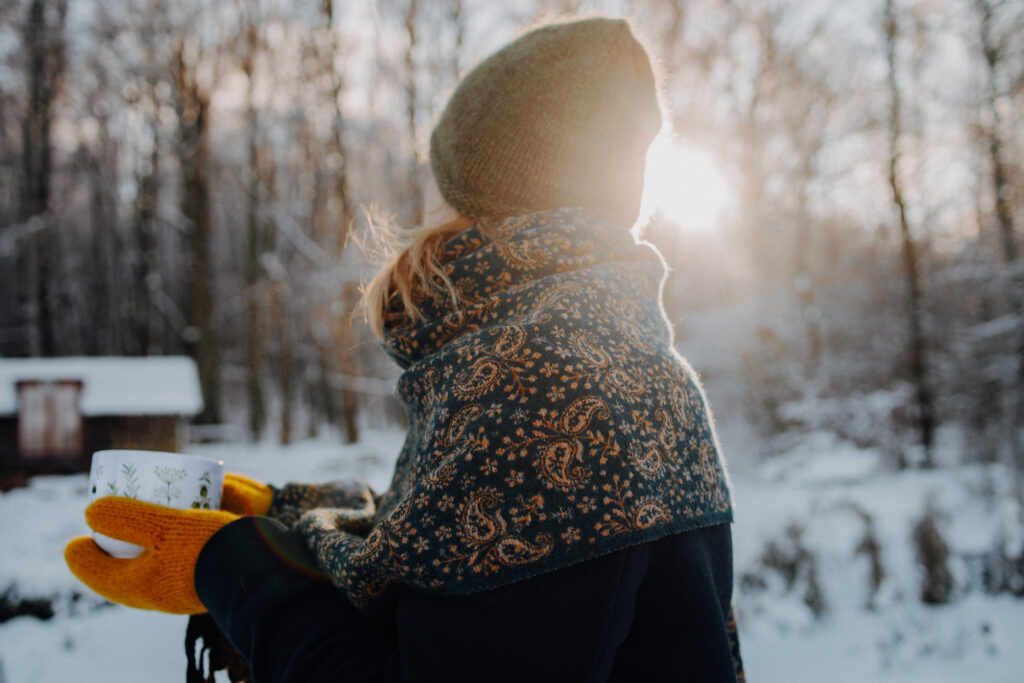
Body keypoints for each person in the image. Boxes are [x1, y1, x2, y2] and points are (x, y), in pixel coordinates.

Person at [66, 16, 744, 682]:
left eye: (441, 180)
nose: (424, 207)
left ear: (487, 193)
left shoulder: (541, 386)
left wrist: (230, 566)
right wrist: (278, 513)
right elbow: (458, 555)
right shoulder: (602, 357)